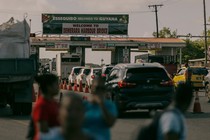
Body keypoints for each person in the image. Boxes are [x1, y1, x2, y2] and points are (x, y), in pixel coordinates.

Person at [32, 74, 60, 140]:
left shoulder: (53, 103)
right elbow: (43, 130)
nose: (58, 87)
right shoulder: (42, 106)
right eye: (56, 84)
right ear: (49, 87)